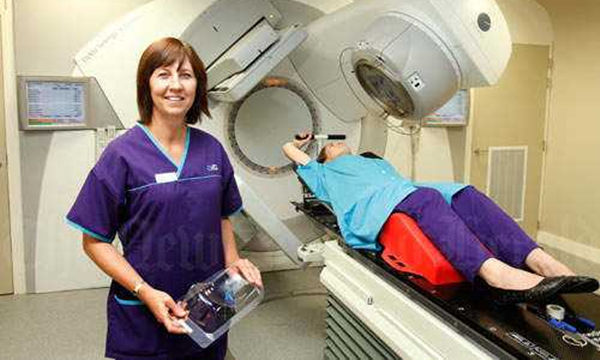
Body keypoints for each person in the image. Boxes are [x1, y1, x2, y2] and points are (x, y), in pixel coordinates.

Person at [66, 37, 262, 360]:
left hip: (209, 308)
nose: (176, 85)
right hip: (143, 315)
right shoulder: (121, 155)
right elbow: (94, 241)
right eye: (163, 74)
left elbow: (221, 215)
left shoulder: (212, 150)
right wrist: (144, 291)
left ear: (197, 86)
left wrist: (233, 261)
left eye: (185, 75)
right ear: (147, 84)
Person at [282, 134, 598, 304]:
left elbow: (403, 183)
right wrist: (299, 142)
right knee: (427, 199)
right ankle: (495, 274)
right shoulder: (323, 173)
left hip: (404, 189)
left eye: (338, 141)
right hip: (371, 206)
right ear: (324, 158)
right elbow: (288, 150)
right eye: (330, 146)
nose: (336, 143)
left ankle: (542, 262)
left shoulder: (374, 162)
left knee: (465, 193)